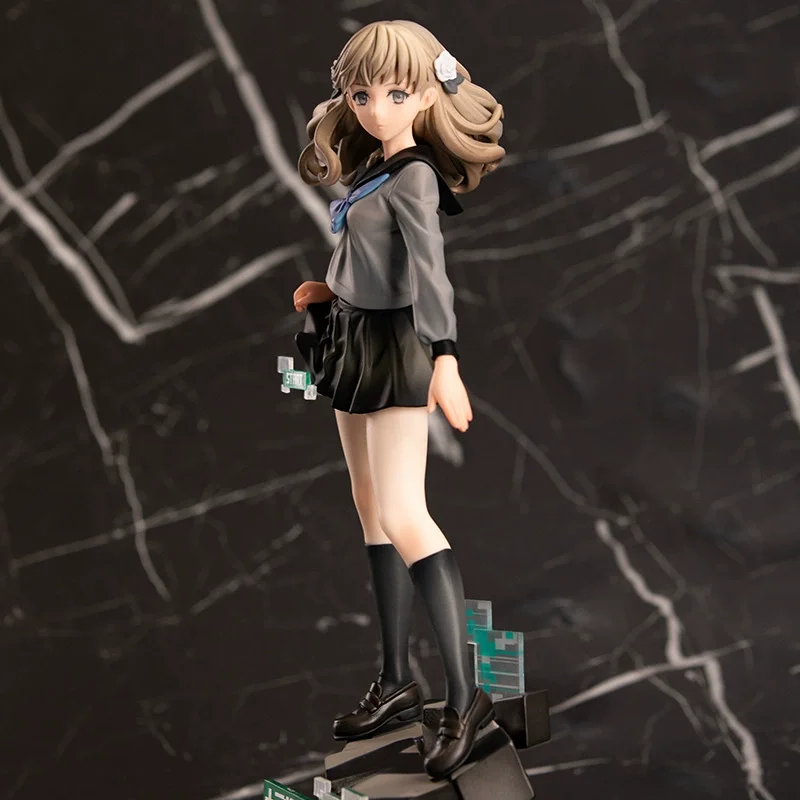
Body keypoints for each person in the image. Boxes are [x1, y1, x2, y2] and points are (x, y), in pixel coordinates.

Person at [292, 19, 505, 781]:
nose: (377, 108)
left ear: (425, 95)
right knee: (369, 506)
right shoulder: (375, 170)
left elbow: (429, 271)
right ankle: (395, 680)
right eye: (362, 94)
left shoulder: (415, 175)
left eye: (395, 93)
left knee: (405, 513)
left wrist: (445, 357)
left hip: (396, 347)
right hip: (350, 337)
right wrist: (329, 291)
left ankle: (467, 699)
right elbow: (369, 253)